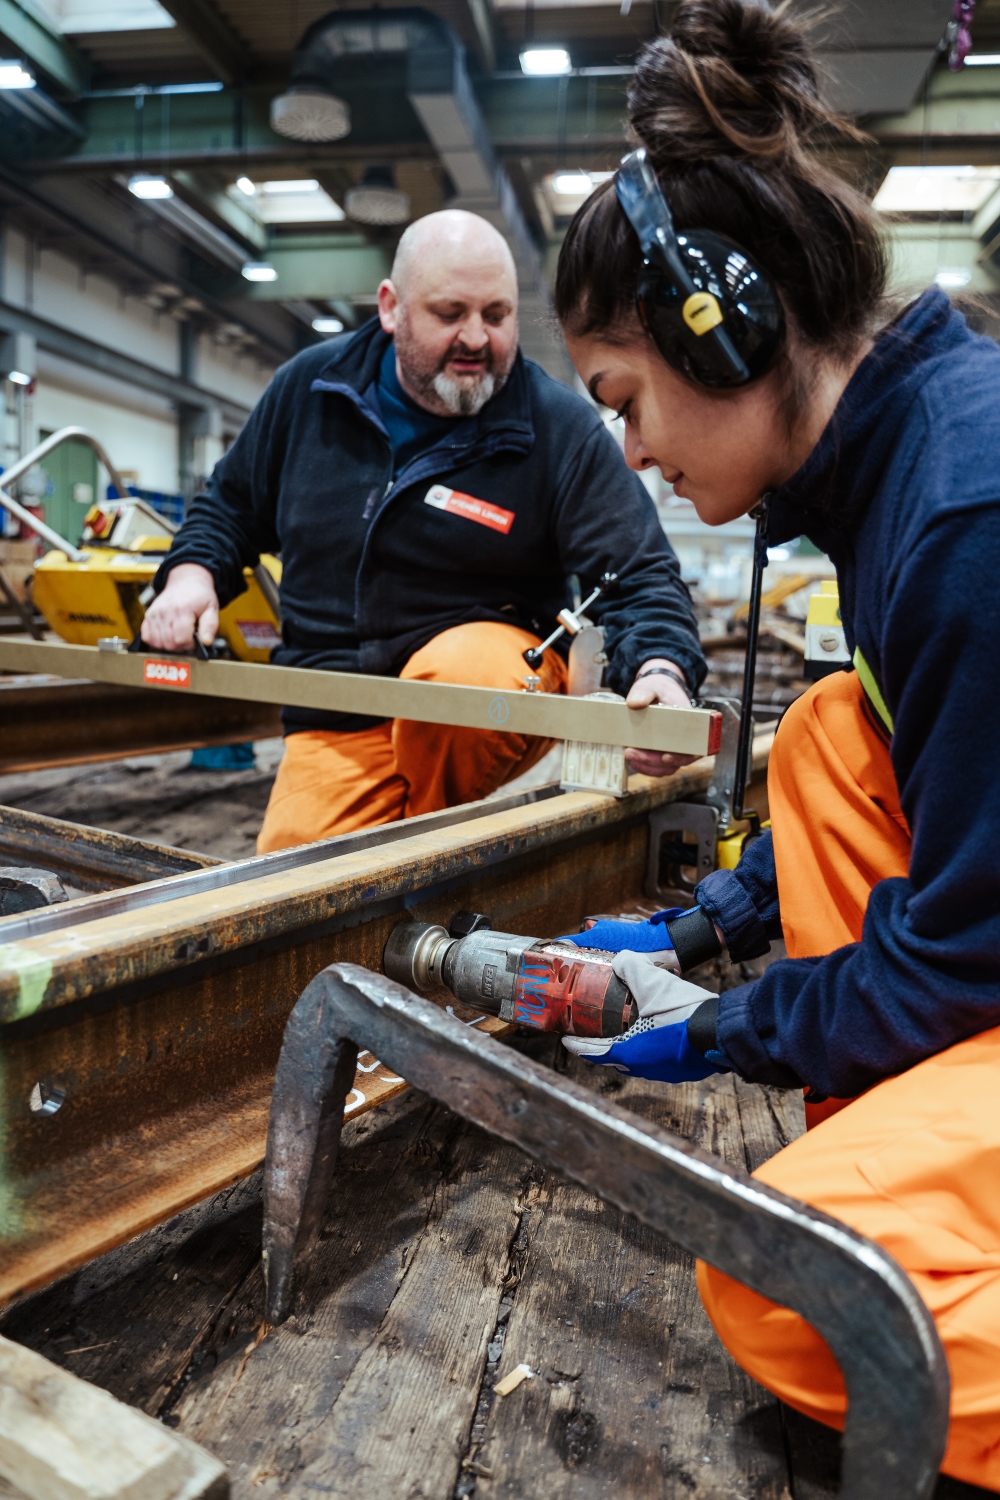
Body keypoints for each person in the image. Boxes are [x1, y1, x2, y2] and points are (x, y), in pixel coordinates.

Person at [551, 0, 1000, 1489]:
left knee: (792, 1288)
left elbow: (956, 958)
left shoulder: (958, 520)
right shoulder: (903, 471)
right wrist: (707, 925)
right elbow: (904, 762)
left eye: (624, 402)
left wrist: (729, 1025)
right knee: (822, 727)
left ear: (721, 327)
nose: (634, 456)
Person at [142, 210, 704, 852]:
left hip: (482, 689)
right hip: (338, 712)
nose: (477, 337)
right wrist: (191, 576)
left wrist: (662, 668)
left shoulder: (556, 428)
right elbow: (230, 505)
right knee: (290, 881)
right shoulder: (308, 392)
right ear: (391, 308)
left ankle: (422, 857)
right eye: (450, 313)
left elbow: (638, 571)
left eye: (496, 316)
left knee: (452, 683)